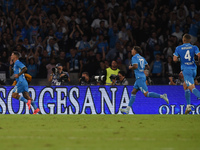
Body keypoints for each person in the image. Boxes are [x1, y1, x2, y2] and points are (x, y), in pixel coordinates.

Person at [120, 46, 169, 114]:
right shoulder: (142, 58)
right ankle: (127, 109)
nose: (131, 50)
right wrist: (143, 70)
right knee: (133, 92)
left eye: (132, 49)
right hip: (140, 77)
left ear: (135, 51)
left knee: (146, 94)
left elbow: (136, 66)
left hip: (140, 78)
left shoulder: (134, 57)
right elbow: (147, 66)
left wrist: (130, 67)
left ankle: (162, 96)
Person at [173, 34, 200, 114]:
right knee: (185, 85)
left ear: (183, 40)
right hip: (194, 69)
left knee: (191, 87)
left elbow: (174, 59)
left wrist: (180, 59)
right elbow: (199, 55)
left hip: (186, 70)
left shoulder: (178, 48)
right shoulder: (194, 47)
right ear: (190, 40)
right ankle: (188, 106)